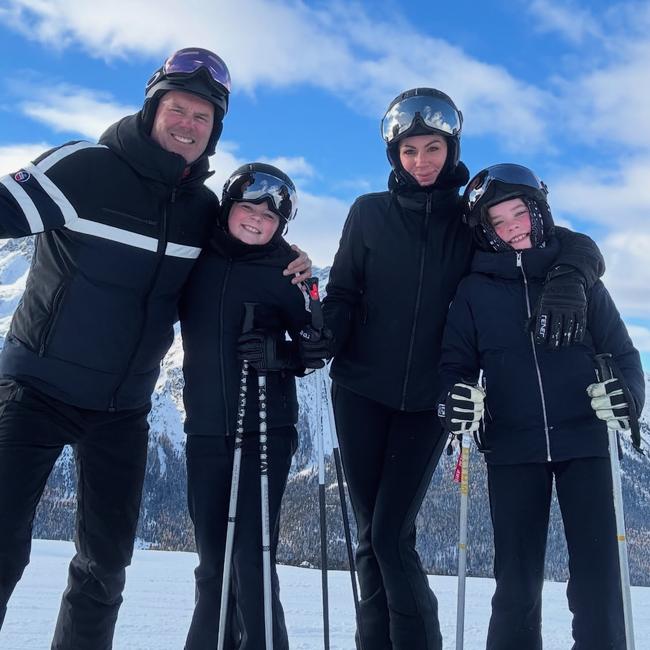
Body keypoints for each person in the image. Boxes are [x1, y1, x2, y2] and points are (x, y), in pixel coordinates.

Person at [0, 49, 309, 649]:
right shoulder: (85, 168)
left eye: (202, 116)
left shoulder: (201, 210)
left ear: (214, 130)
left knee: (105, 565)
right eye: (178, 108)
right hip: (35, 389)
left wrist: (293, 269)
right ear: (152, 109)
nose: (188, 124)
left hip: (123, 409)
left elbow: (248, 247)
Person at [322, 88, 606, 649]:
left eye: (434, 148)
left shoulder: (467, 216)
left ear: (452, 150)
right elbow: (343, 292)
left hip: (428, 400)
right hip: (358, 390)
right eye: (410, 150)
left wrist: (573, 278)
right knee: (367, 537)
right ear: (393, 155)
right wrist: (327, 333)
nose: (422, 161)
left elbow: (564, 241)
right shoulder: (367, 213)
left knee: (389, 532)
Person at [439, 162, 645, 650]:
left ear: (539, 211)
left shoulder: (576, 278)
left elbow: (624, 354)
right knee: (516, 583)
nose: (513, 228)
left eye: (519, 214)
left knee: (598, 582)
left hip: (587, 442)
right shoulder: (474, 292)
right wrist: (455, 400)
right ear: (486, 232)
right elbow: (454, 365)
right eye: (499, 222)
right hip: (512, 447)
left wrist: (627, 394)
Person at [179, 162, 329, 650]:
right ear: (228, 208)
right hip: (204, 427)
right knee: (212, 564)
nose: (257, 219)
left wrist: (278, 353)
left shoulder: (287, 269)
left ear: (281, 225)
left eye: (270, 215)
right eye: (248, 206)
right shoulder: (195, 253)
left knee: (252, 559)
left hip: (265, 425)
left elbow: (316, 345)